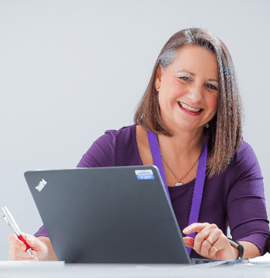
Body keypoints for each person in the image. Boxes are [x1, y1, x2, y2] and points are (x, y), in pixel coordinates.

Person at [8, 28, 269, 261]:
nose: (196, 95)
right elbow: (63, 231)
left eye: (211, 86)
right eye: (185, 78)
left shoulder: (236, 156)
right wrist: (38, 250)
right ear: (158, 77)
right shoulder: (112, 149)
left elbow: (257, 236)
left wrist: (233, 250)